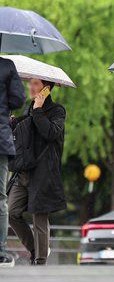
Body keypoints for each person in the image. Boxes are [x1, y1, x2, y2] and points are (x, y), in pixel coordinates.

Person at [8, 79, 66, 265]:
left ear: (46, 89)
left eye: (35, 84)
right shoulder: (29, 108)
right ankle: (35, 249)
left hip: (43, 172)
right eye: (30, 84)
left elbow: (51, 133)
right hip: (23, 171)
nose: (30, 87)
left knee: (39, 216)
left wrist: (39, 110)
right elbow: (23, 130)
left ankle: (40, 260)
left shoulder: (57, 111)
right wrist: (11, 121)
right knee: (12, 212)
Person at [0, 58, 25, 267]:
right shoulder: (7, 66)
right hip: (0, 140)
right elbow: (18, 100)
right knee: (0, 198)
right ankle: (0, 252)